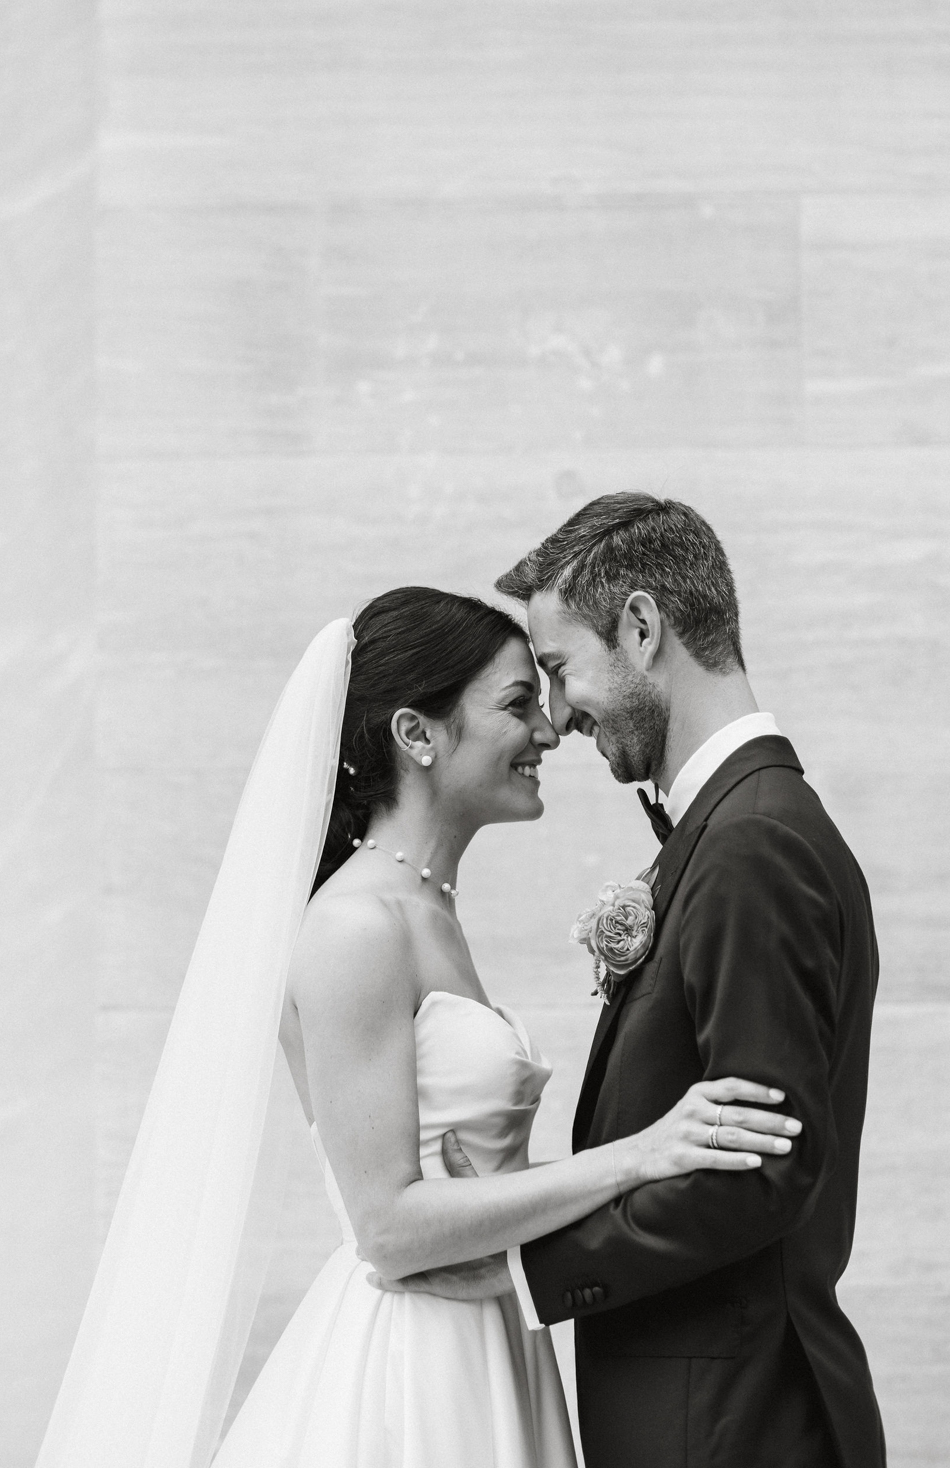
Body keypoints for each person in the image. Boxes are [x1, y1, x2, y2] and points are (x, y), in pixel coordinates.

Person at [210, 586, 798, 1468]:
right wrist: (639, 1155)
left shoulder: (423, 909)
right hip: (416, 1367)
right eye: (519, 704)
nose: (552, 730)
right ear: (418, 735)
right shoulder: (358, 927)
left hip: (490, 1330)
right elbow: (389, 1228)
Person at [380, 496, 885, 1468]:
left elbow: (760, 1169)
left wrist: (520, 1265)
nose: (557, 717)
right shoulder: (731, 833)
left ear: (644, 628)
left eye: (562, 672)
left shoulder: (756, 846)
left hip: (733, 1428)